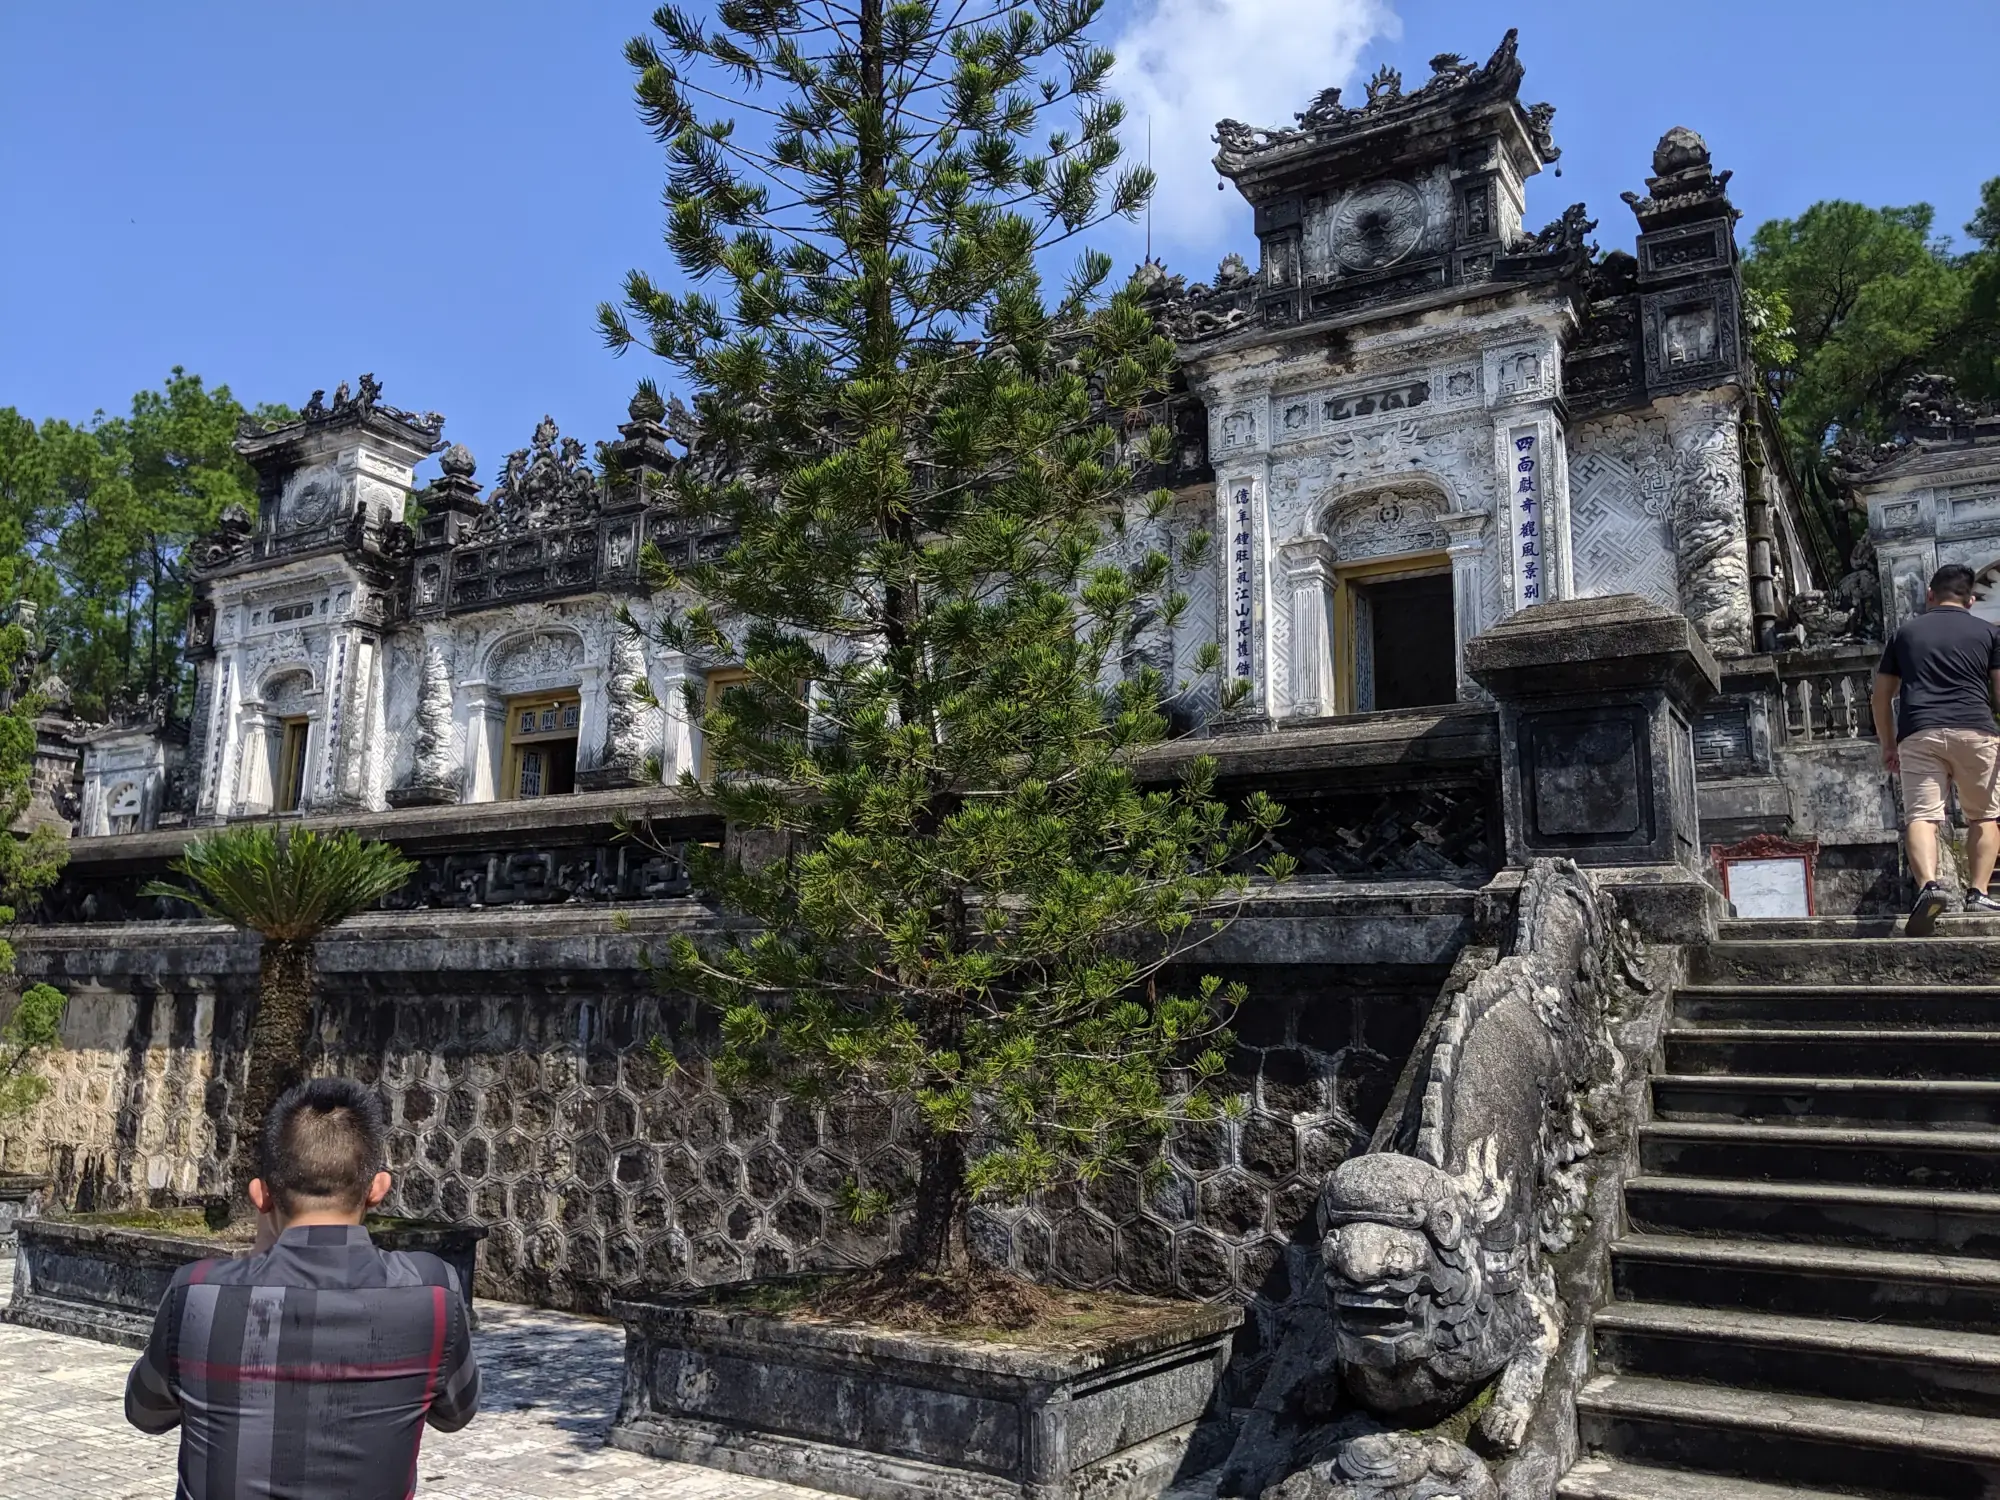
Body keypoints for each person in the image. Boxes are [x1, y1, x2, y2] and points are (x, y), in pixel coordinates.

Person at [125, 1077, 480, 1498]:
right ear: (377, 1190)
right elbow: (457, 1412)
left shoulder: (197, 1293)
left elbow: (145, 1411)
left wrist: (259, 1257)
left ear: (261, 1195)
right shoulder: (433, 1292)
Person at [1871, 562, 2000, 935]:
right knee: (1984, 816)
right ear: (1971, 599)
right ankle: (1977, 892)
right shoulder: (1988, 633)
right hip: (1976, 731)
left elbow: (1881, 698)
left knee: (1922, 817)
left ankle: (1929, 885)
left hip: (1920, 732)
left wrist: (1888, 744)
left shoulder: (1904, 633)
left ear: (1930, 595)